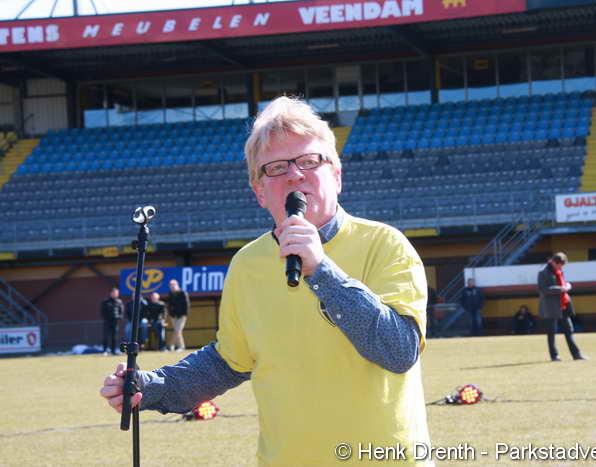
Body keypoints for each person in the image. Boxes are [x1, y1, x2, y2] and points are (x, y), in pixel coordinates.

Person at [100, 96, 430, 465]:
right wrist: (154, 387)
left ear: (337, 176)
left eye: (310, 161)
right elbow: (227, 362)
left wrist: (322, 271)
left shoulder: (385, 245)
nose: (294, 175)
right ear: (259, 192)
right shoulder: (247, 264)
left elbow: (399, 352)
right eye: (276, 168)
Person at [537, 252, 587, 361]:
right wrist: (561, 289)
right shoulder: (543, 272)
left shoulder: (559, 271)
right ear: (554, 262)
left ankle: (576, 354)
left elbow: (562, 284)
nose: (561, 268)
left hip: (563, 304)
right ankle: (554, 356)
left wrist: (567, 285)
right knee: (551, 332)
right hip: (550, 307)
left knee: (569, 330)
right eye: (560, 265)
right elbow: (543, 289)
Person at [165, 279, 190, 352]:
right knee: (177, 331)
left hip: (182, 316)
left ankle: (172, 346)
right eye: (170, 286)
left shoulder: (183, 293)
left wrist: (185, 314)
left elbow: (187, 304)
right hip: (174, 316)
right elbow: (169, 305)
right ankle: (178, 346)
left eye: (173, 285)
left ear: (177, 285)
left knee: (177, 330)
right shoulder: (170, 294)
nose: (172, 287)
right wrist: (171, 314)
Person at [100, 287, 124, 355]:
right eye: (114, 293)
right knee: (106, 336)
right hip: (107, 321)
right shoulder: (105, 301)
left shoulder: (119, 302)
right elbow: (102, 311)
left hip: (115, 322)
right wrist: (106, 318)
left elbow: (121, 311)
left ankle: (113, 351)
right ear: (111, 293)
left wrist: (119, 317)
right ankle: (105, 350)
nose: (115, 294)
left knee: (114, 337)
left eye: (117, 293)